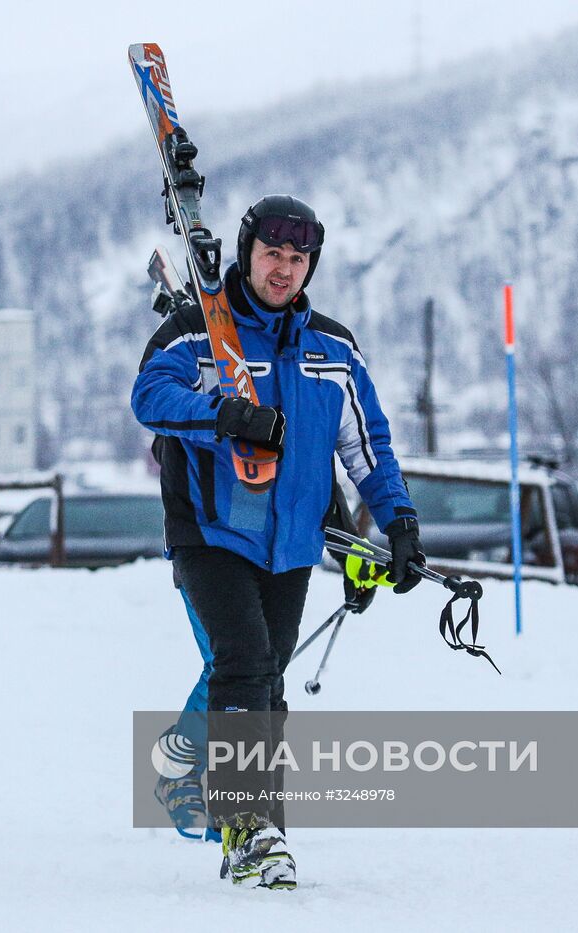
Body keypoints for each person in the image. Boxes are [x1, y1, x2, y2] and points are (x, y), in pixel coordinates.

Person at [132, 195, 426, 890]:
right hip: (210, 528)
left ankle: (248, 813)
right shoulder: (198, 331)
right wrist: (225, 413)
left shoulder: (333, 349)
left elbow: (366, 448)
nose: (284, 269)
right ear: (247, 252)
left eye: (298, 259)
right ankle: (244, 827)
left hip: (291, 543)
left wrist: (399, 524)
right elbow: (151, 394)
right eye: (273, 254)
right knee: (241, 664)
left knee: (267, 677)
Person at [151, 483, 381, 844]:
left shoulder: (300, 429)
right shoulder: (206, 430)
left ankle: (244, 809)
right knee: (231, 664)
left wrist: (350, 554)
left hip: (276, 561)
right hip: (208, 551)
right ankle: (183, 772)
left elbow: (314, 475)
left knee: (261, 671)